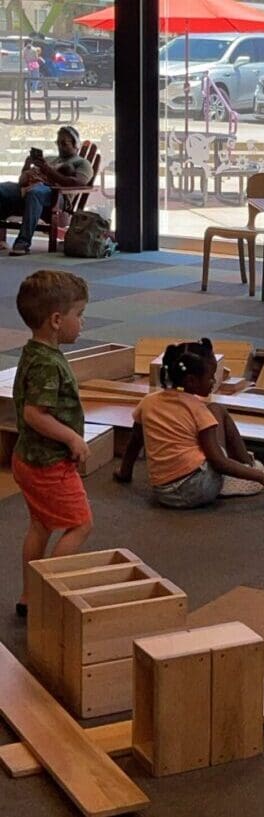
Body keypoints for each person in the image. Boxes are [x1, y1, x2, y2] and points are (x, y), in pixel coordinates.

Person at [113, 338, 264, 507]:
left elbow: (134, 443)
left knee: (209, 419)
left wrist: (124, 473)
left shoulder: (148, 402)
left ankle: (241, 469)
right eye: (210, 377)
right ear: (191, 380)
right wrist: (261, 478)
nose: (214, 381)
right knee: (218, 411)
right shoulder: (198, 409)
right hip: (197, 490)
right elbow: (218, 462)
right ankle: (247, 467)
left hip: (163, 493)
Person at [11, 270, 92, 619]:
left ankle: (30, 596)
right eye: (79, 315)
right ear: (57, 320)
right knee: (81, 525)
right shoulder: (46, 364)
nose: (82, 323)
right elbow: (34, 414)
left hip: (27, 459)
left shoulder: (35, 352)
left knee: (41, 525)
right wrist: (72, 437)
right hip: (48, 464)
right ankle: (47, 593)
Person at [0, 125, 93, 256]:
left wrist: (47, 170)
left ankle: (23, 242)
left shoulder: (82, 163)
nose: (60, 146)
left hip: (56, 197)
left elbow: (77, 182)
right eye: (58, 143)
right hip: (29, 189)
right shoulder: (50, 159)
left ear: (75, 144)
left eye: (64, 143)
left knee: (35, 192)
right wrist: (28, 164)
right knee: (2, 189)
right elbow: (23, 179)